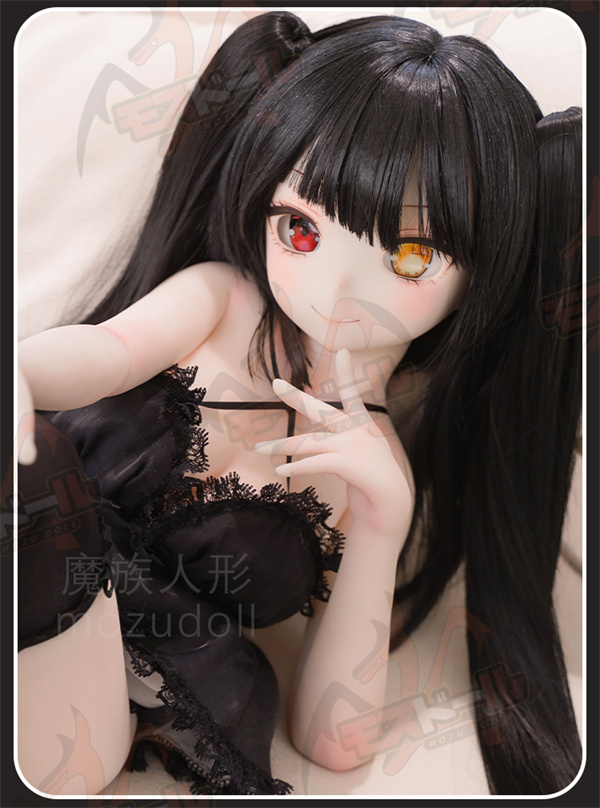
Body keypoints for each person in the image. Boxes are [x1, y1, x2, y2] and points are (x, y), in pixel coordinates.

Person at [16, 10, 582, 797]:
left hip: (100, 702)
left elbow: (334, 740)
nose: (336, 288)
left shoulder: (371, 472)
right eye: (302, 231)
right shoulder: (223, 301)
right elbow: (105, 353)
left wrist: (382, 524)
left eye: (410, 255)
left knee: (37, 476)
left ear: (483, 273)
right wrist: (21, 370)